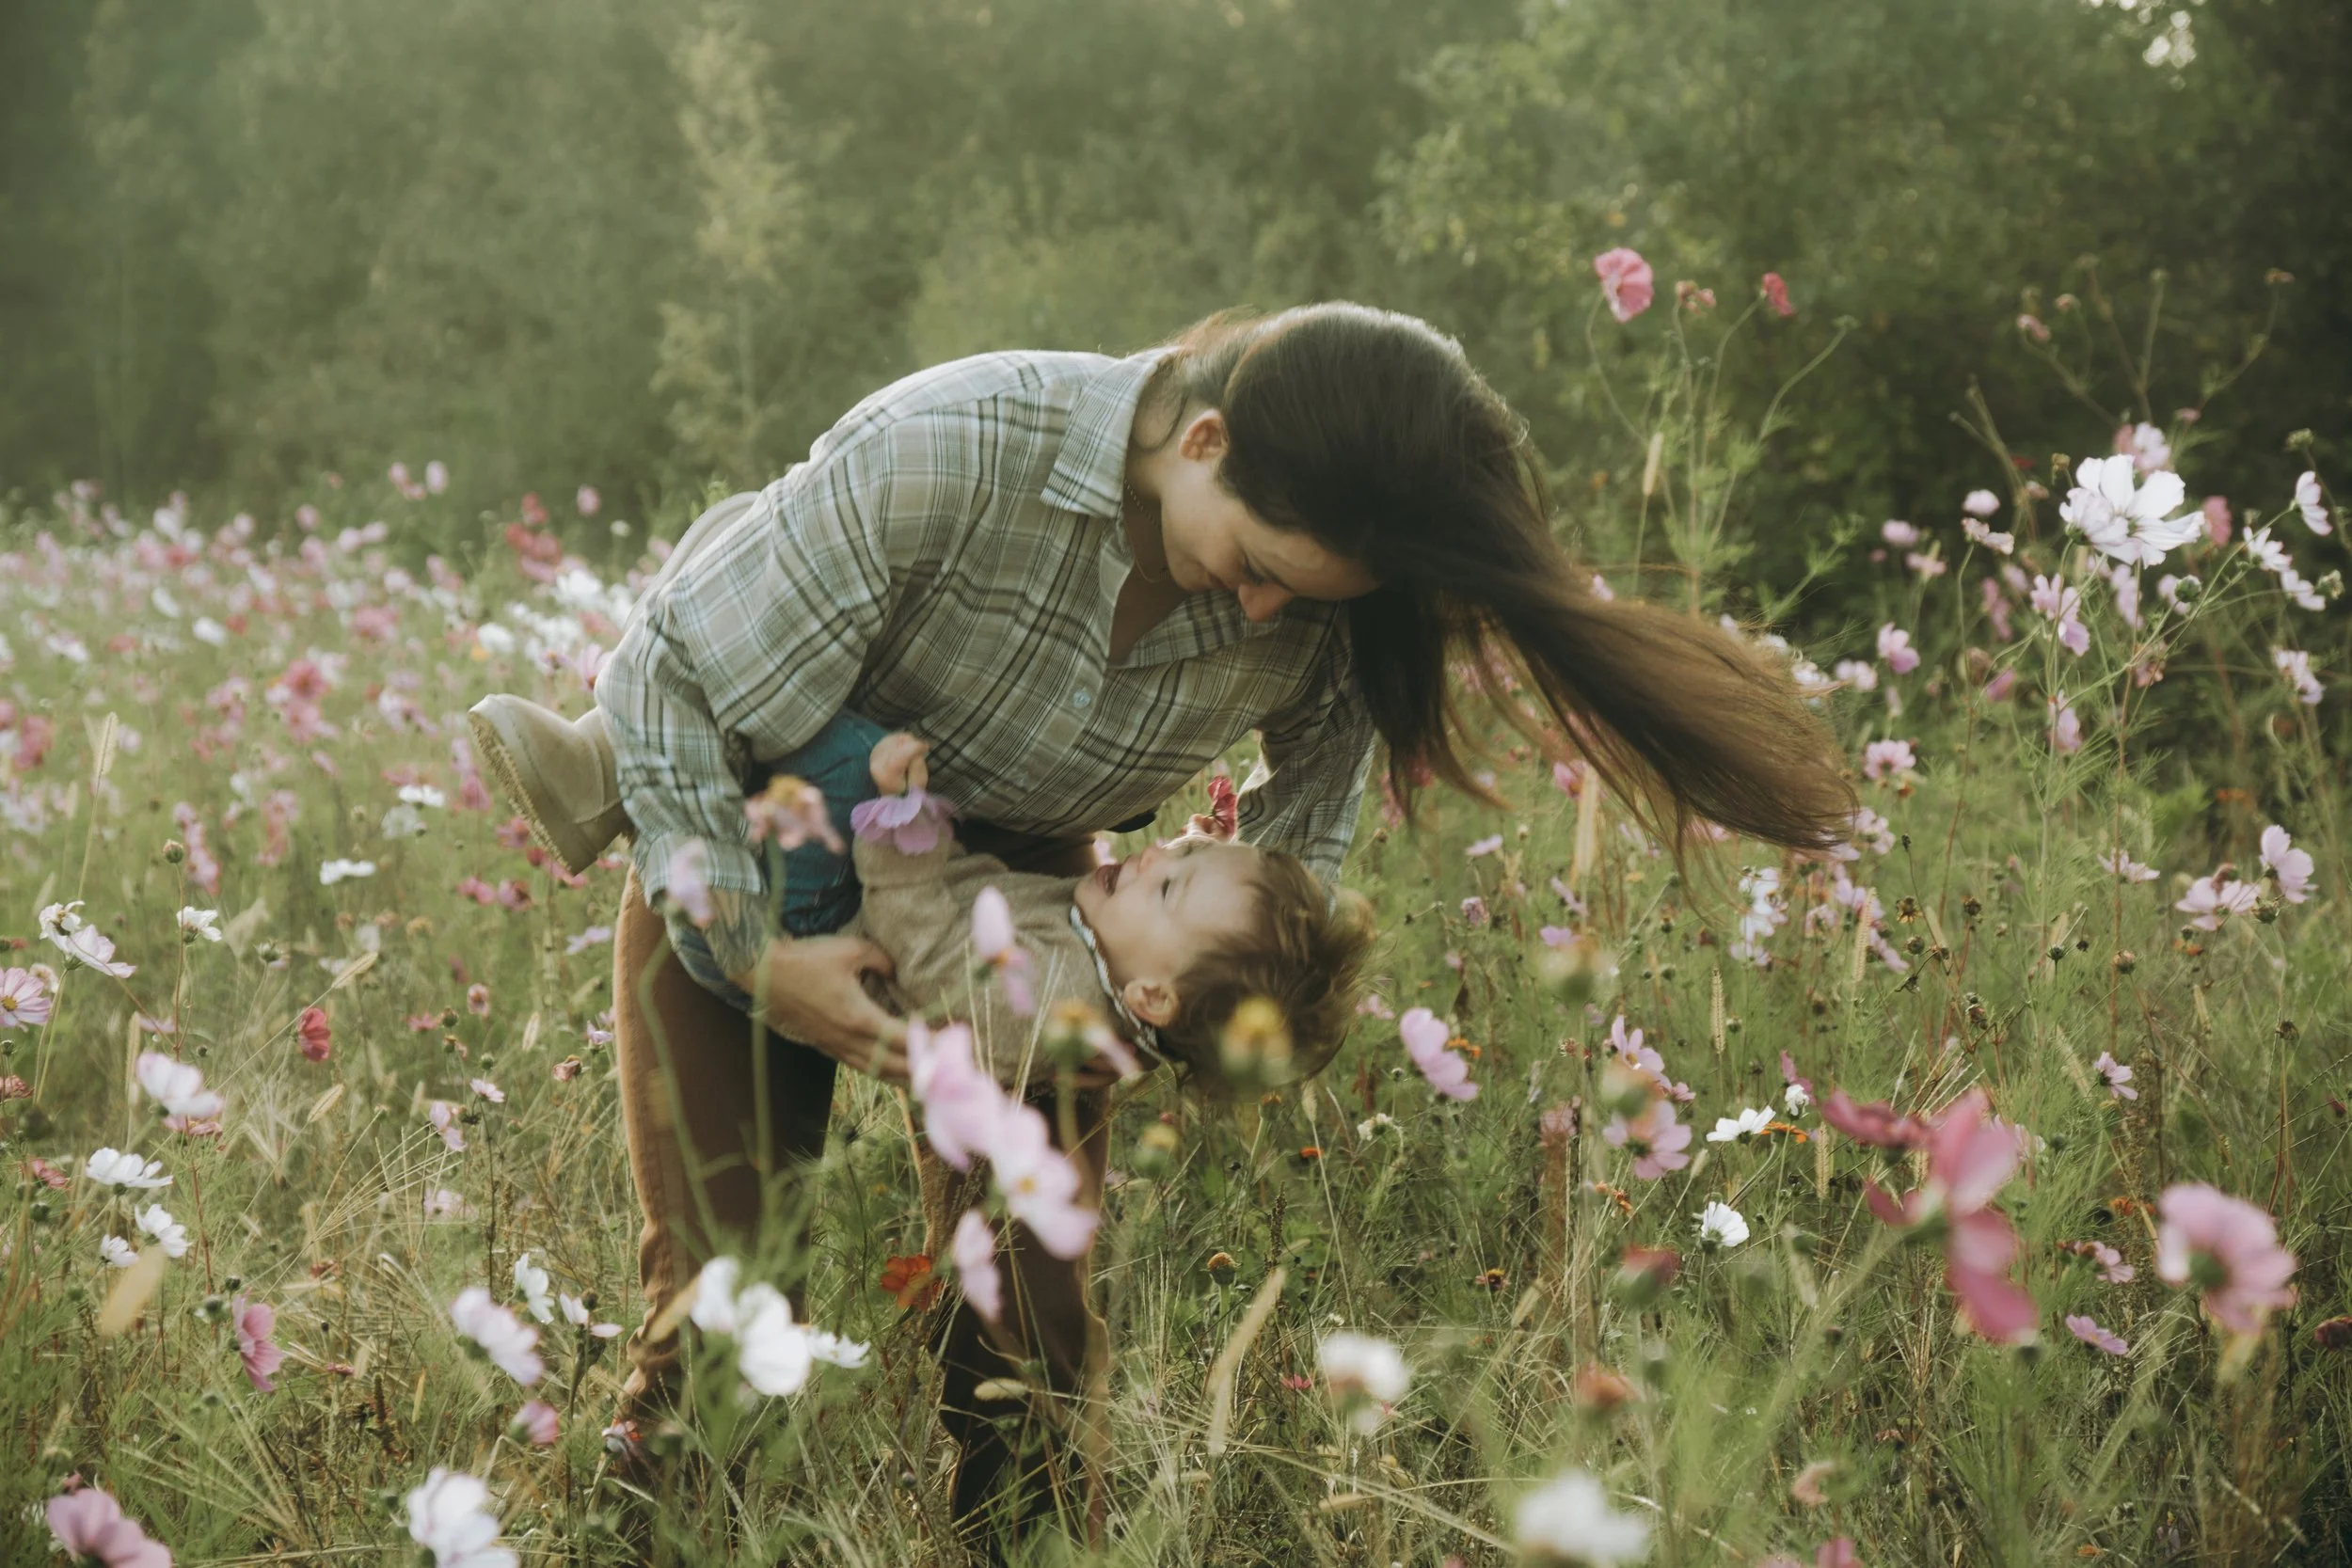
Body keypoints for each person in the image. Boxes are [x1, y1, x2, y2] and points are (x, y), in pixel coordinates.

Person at [544, 301, 1854, 1544]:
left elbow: (1283, 880)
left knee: (1035, 1342)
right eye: (1261, 566)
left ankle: (1033, 1550)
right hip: (742, 839)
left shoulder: (1333, 602)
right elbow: (668, 678)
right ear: (1205, 441)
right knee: (722, 1299)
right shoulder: (952, 446)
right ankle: (639, 1538)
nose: (1271, 613)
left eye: (1312, 594)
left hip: (1048, 907)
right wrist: (758, 960)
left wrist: (1172, 1002)